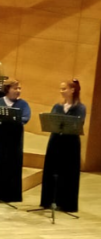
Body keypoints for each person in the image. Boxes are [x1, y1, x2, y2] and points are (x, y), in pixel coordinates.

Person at [40, 80, 85, 213]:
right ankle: (49, 200)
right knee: (52, 169)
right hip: (55, 141)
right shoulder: (57, 106)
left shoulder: (80, 108)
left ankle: (66, 203)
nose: (61, 91)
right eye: (60, 89)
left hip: (70, 143)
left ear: (72, 90)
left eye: (64, 88)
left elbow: (78, 124)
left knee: (68, 171)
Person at [0, 79, 30, 203]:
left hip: (13, 140)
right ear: (7, 89)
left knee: (12, 164)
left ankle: (9, 195)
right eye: (15, 88)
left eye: (19, 88)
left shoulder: (23, 104)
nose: (18, 91)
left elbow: (25, 118)